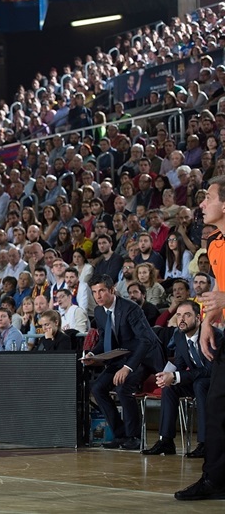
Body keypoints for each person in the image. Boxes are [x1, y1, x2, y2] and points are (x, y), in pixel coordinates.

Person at [175, 175, 225, 501]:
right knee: (217, 406)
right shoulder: (215, 244)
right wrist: (207, 322)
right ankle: (215, 480)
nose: (202, 203)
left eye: (209, 197)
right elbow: (219, 288)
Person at [84, 274, 164, 451]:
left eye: (102, 291)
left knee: (123, 387)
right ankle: (120, 434)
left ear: (112, 290)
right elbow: (104, 338)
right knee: (97, 388)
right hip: (122, 356)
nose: (98, 296)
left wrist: (128, 368)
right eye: (94, 292)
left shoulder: (130, 309)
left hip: (144, 357)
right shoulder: (99, 311)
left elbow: (146, 341)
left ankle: (134, 437)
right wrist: (92, 354)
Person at [142, 301, 219, 458]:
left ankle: (206, 443)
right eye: (178, 315)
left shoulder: (213, 334)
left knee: (200, 384)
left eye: (187, 315)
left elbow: (210, 370)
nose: (181, 319)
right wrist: (166, 376)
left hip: (218, 381)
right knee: (169, 386)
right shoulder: (178, 335)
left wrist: (176, 376)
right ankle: (166, 440)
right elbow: (180, 364)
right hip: (199, 381)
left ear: (198, 318)